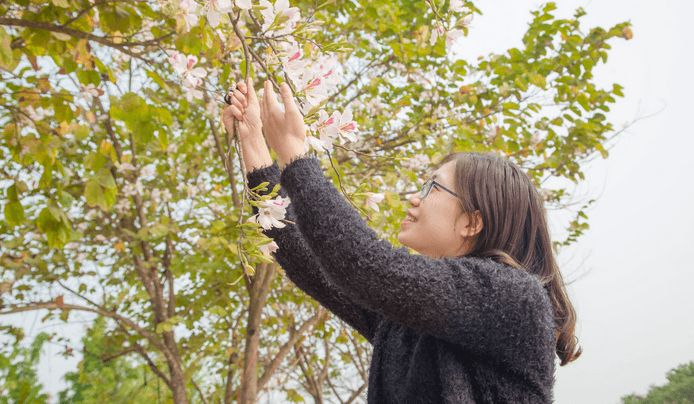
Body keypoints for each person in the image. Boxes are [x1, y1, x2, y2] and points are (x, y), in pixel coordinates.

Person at [222, 78, 581, 404]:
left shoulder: (514, 298)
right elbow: (313, 261)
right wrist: (254, 139)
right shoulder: (408, 320)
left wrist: (296, 157)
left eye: (432, 187)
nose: (414, 197)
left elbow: (366, 265)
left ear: (473, 221)